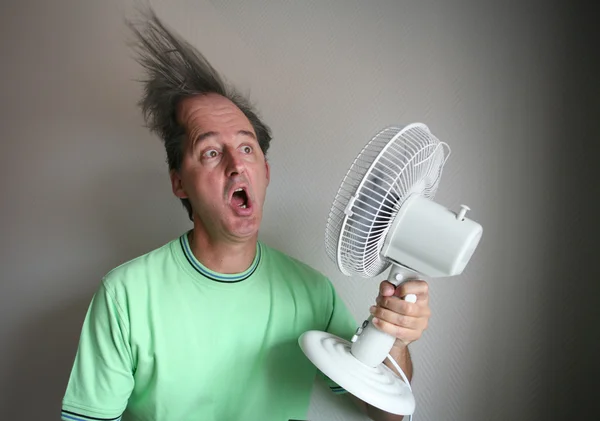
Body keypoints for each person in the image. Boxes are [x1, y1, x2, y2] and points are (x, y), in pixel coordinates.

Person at [61, 9, 431, 421]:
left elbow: (385, 414)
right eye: (212, 153)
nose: (236, 165)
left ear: (266, 173)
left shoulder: (313, 293)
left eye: (247, 148)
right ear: (179, 183)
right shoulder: (124, 296)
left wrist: (394, 336)